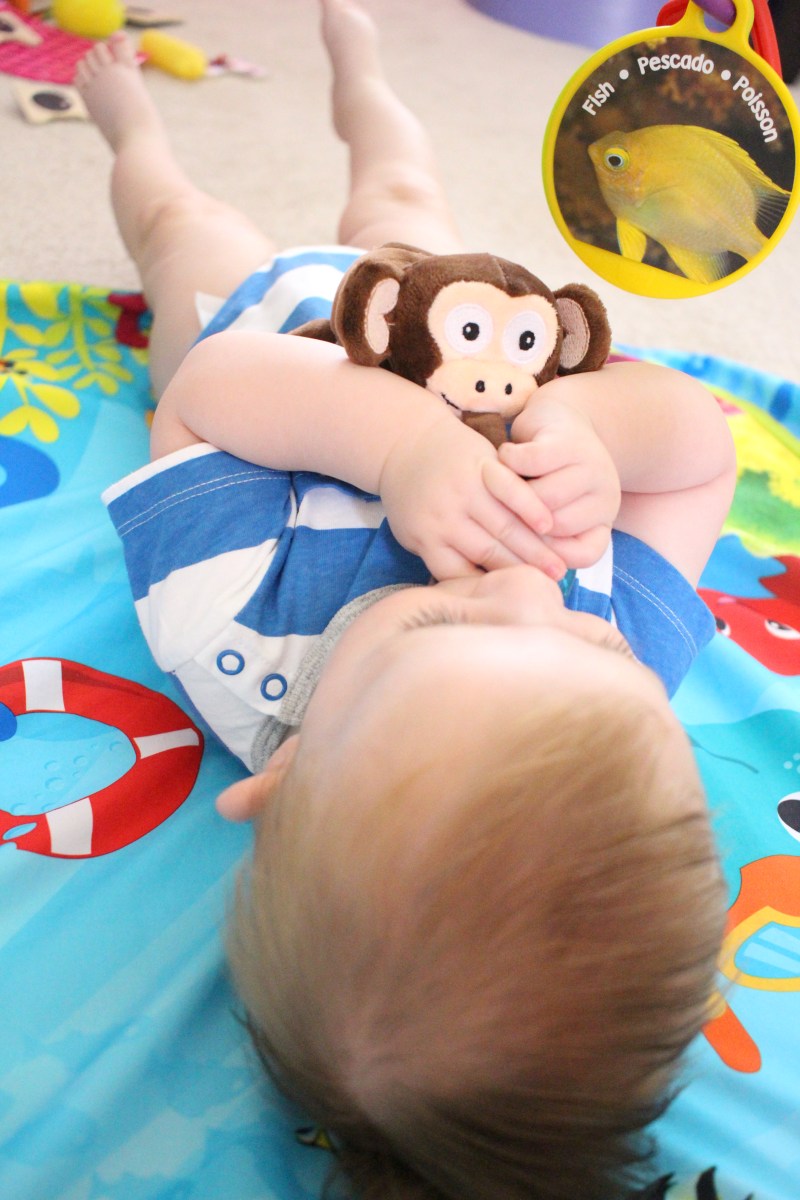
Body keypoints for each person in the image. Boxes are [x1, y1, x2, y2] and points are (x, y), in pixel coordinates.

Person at [77, 4, 736, 1199]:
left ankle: (128, 126)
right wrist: (590, 425)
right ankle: (362, 74)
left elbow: (208, 397)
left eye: (437, 622)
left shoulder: (235, 632)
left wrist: (396, 451)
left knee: (181, 228)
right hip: (452, 320)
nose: (521, 589)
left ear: (282, 774)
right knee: (399, 193)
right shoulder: (620, 663)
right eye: (589, 645)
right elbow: (698, 458)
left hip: (268, 328)